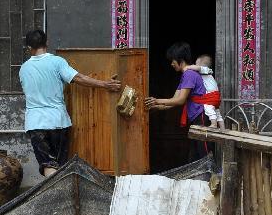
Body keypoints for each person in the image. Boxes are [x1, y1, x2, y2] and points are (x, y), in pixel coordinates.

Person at [19, 29, 121, 178]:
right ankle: (60, 193)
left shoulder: (24, 68)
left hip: (35, 123)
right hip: (57, 121)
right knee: (60, 164)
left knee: (48, 164)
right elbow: (78, 78)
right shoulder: (57, 62)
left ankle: (57, 194)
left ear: (29, 48)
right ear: (47, 42)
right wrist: (105, 84)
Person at [145, 42, 212, 160]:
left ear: (180, 60)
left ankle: (214, 177)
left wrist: (157, 101)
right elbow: (173, 100)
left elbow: (180, 101)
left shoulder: (189, 74)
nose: (171, 64)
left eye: (173, 60)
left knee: (204, 154)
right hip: (196, 117)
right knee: (195, 154)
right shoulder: (185, 75)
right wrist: (154, 106)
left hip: (201, 116)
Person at [186, 54, 224, 128]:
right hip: (216, 95)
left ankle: (214, 124)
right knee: (217, 112)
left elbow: (197, 68)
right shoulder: (209, 73)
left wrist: (187, 67)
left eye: (196, 64)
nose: (195, 66)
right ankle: (222, 127)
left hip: (211, 95)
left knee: (208, 108)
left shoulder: (205, 70)